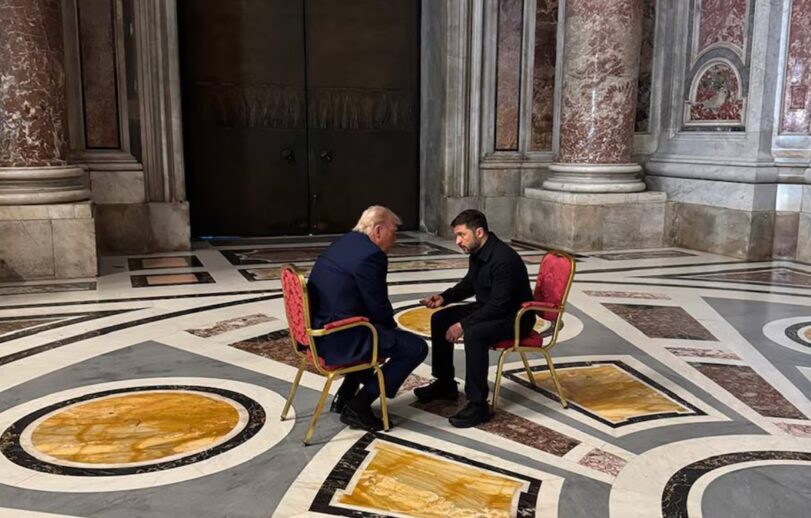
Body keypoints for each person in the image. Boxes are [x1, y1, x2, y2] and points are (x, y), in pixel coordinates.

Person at [307, 205, 428, 431]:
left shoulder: (345, 243)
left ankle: (345, 395)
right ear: (378, 230)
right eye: (393, 232)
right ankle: (359, 404)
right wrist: (392, 331)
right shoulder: (371, 255)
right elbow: (378, 305)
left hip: (319, 331)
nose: (395, 239)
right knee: (415, 348)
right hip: (340, 338)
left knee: (376, 332)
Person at [414, 209, 534, 427]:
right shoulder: (478, 251)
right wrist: (444, 297)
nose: (458, 241)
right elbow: (470, 283)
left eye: (462, 235)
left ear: (479, 232)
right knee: (440, 319)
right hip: (491, 308)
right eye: (457, 236)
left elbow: (499, 306)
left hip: (514, 317)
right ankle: (445, 383)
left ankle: (478, 404)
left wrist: (463, 325)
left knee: (475, 334)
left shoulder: (504, 259)